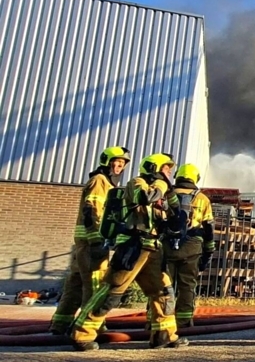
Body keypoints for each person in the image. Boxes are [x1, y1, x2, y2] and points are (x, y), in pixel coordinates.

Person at [70, 153, 188, 351]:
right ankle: (82, 334)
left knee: (164, 292)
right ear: (154, 169)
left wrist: (176, 215)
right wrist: (161, 186)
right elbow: (145, 197)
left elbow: (172, 216)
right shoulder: (137, 182)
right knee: (111, 291)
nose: (170, 173)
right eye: (166, 169)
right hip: (133, 246)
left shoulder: (165, 190)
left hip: (153, 248)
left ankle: (164, 335)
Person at [49, 146, 130, 335]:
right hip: (92, 243)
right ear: (106, 163)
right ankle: (91, 328)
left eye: (122, 164)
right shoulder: (100, 181)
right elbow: (92, 210)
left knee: (75, 285)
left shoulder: (107, 183)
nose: (119, 167)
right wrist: (96, 240)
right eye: (116, 163)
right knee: (95, 286)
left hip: (85, 243)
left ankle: (60, 324)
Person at [164, 163, 215, 328]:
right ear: (195, 178)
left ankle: (157, 321)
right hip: (192, 247)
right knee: (187, 285)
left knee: (163, 285)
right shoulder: (202, 198)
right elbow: (209, 227)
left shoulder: (166, 195)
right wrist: (208, 250)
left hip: (166, 246)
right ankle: (184, 321)